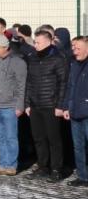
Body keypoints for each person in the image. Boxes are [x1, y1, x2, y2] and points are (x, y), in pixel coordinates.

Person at [25, 29, 69, 181]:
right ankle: (43, 166)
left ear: (49, 42)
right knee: (39, 138)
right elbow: (28, 82)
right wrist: (27, 103)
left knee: (53, 139)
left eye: (38, 42)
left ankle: (56, 169)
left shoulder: (58, 58)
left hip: (51, 105)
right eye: (35, 42)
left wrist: (60, 105)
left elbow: (63, 83)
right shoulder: (33, 58)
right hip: (35, 105)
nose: (35, 45)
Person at [0, 35, 27, 176]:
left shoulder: (17, 62)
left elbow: (22, 86)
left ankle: (11, 165)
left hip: (10, 106)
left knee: (10, 137)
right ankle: (3, 163)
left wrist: (19, 106)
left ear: (6, 47)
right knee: (0, 137)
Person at [64, 36, 88, 187]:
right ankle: (83, 176)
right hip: (75, 111)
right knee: (78, 146)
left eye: (77, 48)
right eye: (73, 47)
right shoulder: (73, 64)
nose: (74, 50)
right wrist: (67, 106)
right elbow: (69, 87)